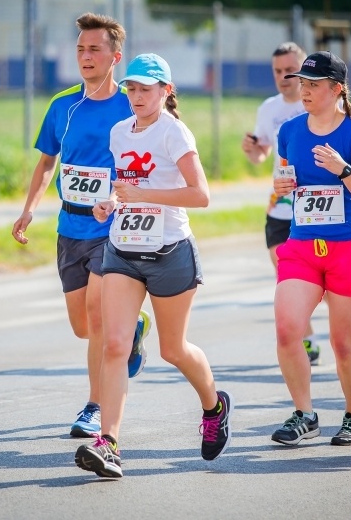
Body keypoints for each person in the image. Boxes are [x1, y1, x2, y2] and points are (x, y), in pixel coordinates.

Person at [74, 53, 232, 477]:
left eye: (146, 88)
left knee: (173, 349)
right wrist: (110, 201)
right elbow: (126, 185)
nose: (137, 96)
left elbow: (200, 195)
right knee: (113, 344)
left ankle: (214, 406)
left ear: (166, 91)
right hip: (122, 250)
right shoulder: (119, 131)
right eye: (132, 88)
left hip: (169, 252)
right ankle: (109, 444)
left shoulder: (174, 134)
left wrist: (144, 197)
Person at [11, 13, 151, 439]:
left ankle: (95, 406)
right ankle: (134, 328)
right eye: (80, 49)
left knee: (97, 311)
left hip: (113, 228)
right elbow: (46, 162)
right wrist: (29, 208)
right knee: (82, 326)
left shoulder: (130, 105)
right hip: (69, 225)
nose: (85, 56)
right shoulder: (62, 105)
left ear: (115, 57)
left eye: (94, 49)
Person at [269, 51, 351, 447]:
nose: (304, 90)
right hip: (302, 244)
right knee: (287, 330)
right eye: (302, 83)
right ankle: (305, 414)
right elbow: (286, 177)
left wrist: (343, 169)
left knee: (342, 343)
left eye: (313, 85)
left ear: (336, 89)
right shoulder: (290, 130)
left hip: (348, 247)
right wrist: (282, 187)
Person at [241, 42, 321, 365]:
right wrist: (252, 149)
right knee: (287, 274)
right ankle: (308, 336)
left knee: (318, 278)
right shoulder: (268, 109)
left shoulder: (315, 104)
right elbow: (262, 154)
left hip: (316, 206)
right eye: (276, 71)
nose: (283, 76)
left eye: (289, 70)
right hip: (280, 204)